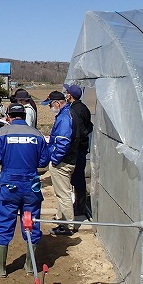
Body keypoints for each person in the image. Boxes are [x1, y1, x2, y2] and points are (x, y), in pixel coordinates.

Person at [0, 103, 50, 277]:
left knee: (4, 223)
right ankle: (30, 267)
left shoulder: (0, 134)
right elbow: (44, 161)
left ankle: (1, 268)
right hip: (31, 186)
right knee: (31, 223)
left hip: (9, 185)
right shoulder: (37, 134)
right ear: (24, 115)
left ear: (9, 116)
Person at [41, 90, 79, 236]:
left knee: (63, 194)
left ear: (57, 103)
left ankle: (68, 225)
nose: (50, 107)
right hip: (66, 159)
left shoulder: (64, 118)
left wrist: (55, 159)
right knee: (62, 193)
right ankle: (61, 218)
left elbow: (63, 141)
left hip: (63, 162)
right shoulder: (67, 114)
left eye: (50, 104)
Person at [63, 84, 93, 219]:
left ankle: (79, 207)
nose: (65, 94)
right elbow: (90, 127)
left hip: (78, 150)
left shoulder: (75, 110)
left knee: (78, 178)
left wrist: (75, 145)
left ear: (71, 95)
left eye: (67, 92)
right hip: (82, 148)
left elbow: (79, 130)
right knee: (78, 177)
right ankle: (78, 205)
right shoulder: (83, 108)